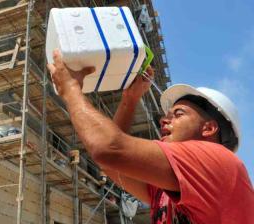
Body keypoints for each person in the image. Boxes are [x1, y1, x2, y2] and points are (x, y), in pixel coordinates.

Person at [47, 49, 254, 223]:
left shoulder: (217, 162)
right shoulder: (166, 189)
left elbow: (107, 148)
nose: (164, 120)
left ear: (209, 129)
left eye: (179, 114)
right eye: (167, 115)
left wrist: (70, 88)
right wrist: (130, 98)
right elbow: (112, 165)